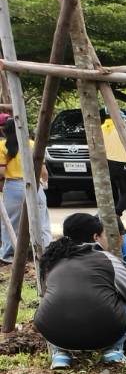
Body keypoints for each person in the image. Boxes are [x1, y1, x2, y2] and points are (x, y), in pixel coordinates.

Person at [32, 212, 126, 369]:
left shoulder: (51, 259)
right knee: (123, 297)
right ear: (96, 237)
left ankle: (60, 355)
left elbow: (46, 294)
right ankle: (113, 351)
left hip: (54, 332)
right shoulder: (109, 260)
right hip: (104, 332)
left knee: (55, 300)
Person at [0, 111, 53, 263]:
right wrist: (45, 183)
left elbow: (2, 172)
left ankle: (9, 254)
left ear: (5, 130)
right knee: (41, 219)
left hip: (13, 186)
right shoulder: (31, 144)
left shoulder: (2, 146)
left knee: (12, 222)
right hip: (34, 185)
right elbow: (43, 171)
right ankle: (46, 251)